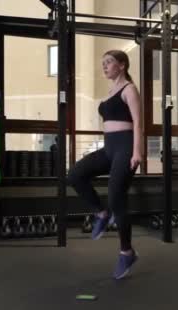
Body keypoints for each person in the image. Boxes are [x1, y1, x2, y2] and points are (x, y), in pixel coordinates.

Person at [67, 50, 142, 280]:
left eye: (109, 62)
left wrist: (137, 151)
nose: (105, 66)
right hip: (109, 147)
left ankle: (126, 252)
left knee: (116, 196)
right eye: (103, 63)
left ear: (122, 65)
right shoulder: (110, 92)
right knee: (76, 174)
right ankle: (101, 212)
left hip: (126, 147)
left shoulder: (129, 89)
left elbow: (139, 122)